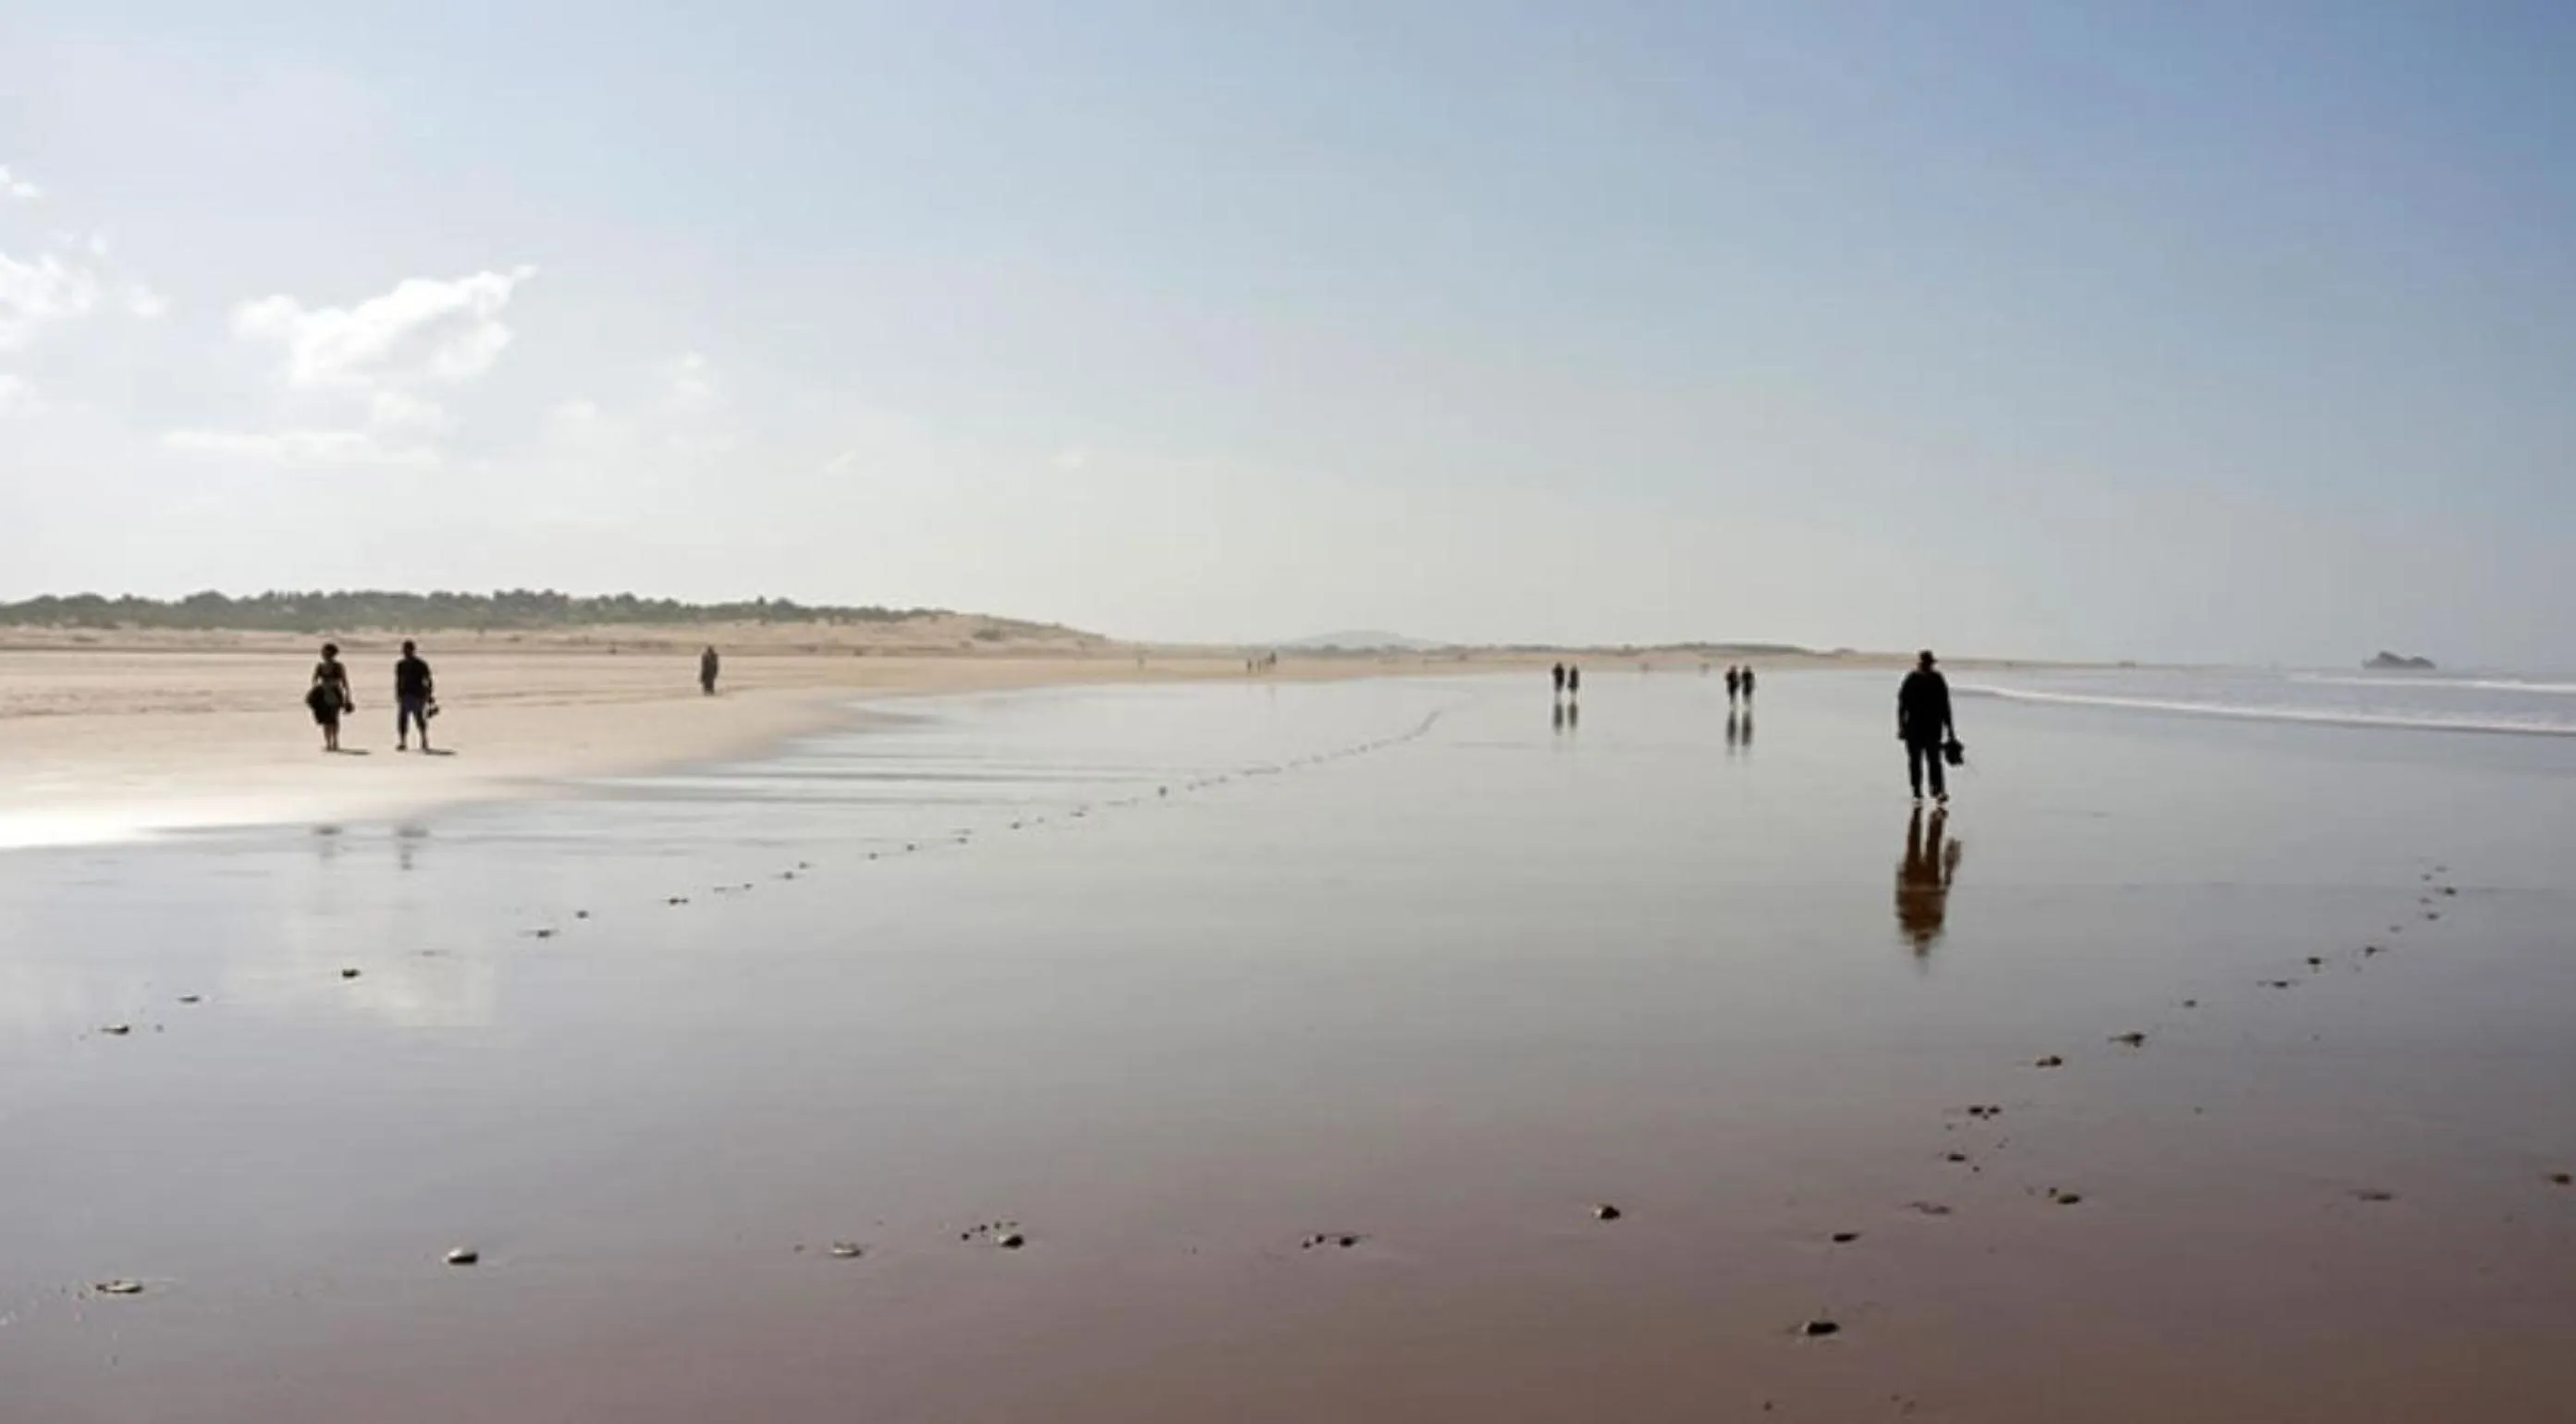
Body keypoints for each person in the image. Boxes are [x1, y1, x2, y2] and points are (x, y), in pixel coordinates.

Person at [1898, 649, 1956, 804]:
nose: (1928, 665)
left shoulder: (1938, 679)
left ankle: (1937, 791)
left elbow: (1945, 706)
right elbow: (1902, 705)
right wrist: (1901, 726)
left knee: (1934, 761)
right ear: (1921, 663)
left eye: (1929, 663)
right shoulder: (1911, 679)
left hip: (1933, 728)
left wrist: (1950, 731)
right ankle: (1917, 792)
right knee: (1915, 761)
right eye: (1926, 663)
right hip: (1914, 728)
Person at [307, 643, 353, 753]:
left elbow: (344, 681)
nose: (324, 654)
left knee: (334, 718)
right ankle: (328, 742)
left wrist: (347, 696)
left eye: (327, 652)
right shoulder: (320, 666)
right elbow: (314, 680)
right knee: (325, 720)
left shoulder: (338, 666)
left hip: (334, 693)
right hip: (323, 694)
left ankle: (335, 741)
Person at [395, 640, 435, 753]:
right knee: (403, 719)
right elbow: (399, 680)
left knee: (419, 718)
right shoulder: (400, 665)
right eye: (404, 650)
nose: (405, 652)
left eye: (407, 650)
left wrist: (429, 694)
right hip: (406, 694)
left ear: (412, 650)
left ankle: (424, 739)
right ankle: (403, 741)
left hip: (418, 695)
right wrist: (398, 693)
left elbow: (428, 680)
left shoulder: (421, 664)